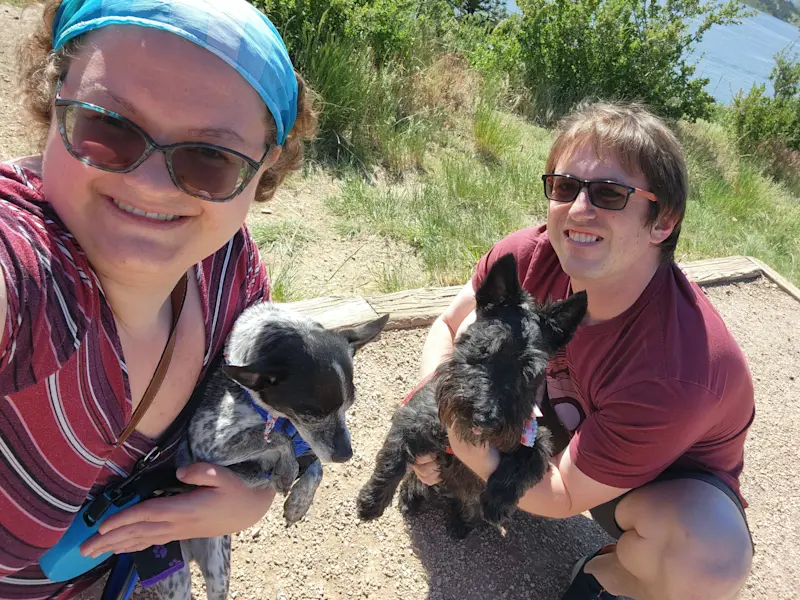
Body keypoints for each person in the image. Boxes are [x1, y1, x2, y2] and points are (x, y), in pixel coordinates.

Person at [0, 0, 316, 597]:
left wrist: (249, 498)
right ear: (53, 98)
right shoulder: (24, 267)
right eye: (107, 126)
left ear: (263, 168)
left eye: (210, 158)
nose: (149, 184)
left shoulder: (231, 270)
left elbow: (261, 418)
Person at [412, 102, 756, 600]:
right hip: (559, 430)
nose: (577, 210)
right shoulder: (528, 258)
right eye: (565, 187)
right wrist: (439, 418)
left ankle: (613, 574)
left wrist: (463, 441)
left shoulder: (677, 367)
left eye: (610, 193)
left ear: (663, 222)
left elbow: (566, 495)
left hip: (647, 485)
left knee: (711, 557)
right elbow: (447, 327)